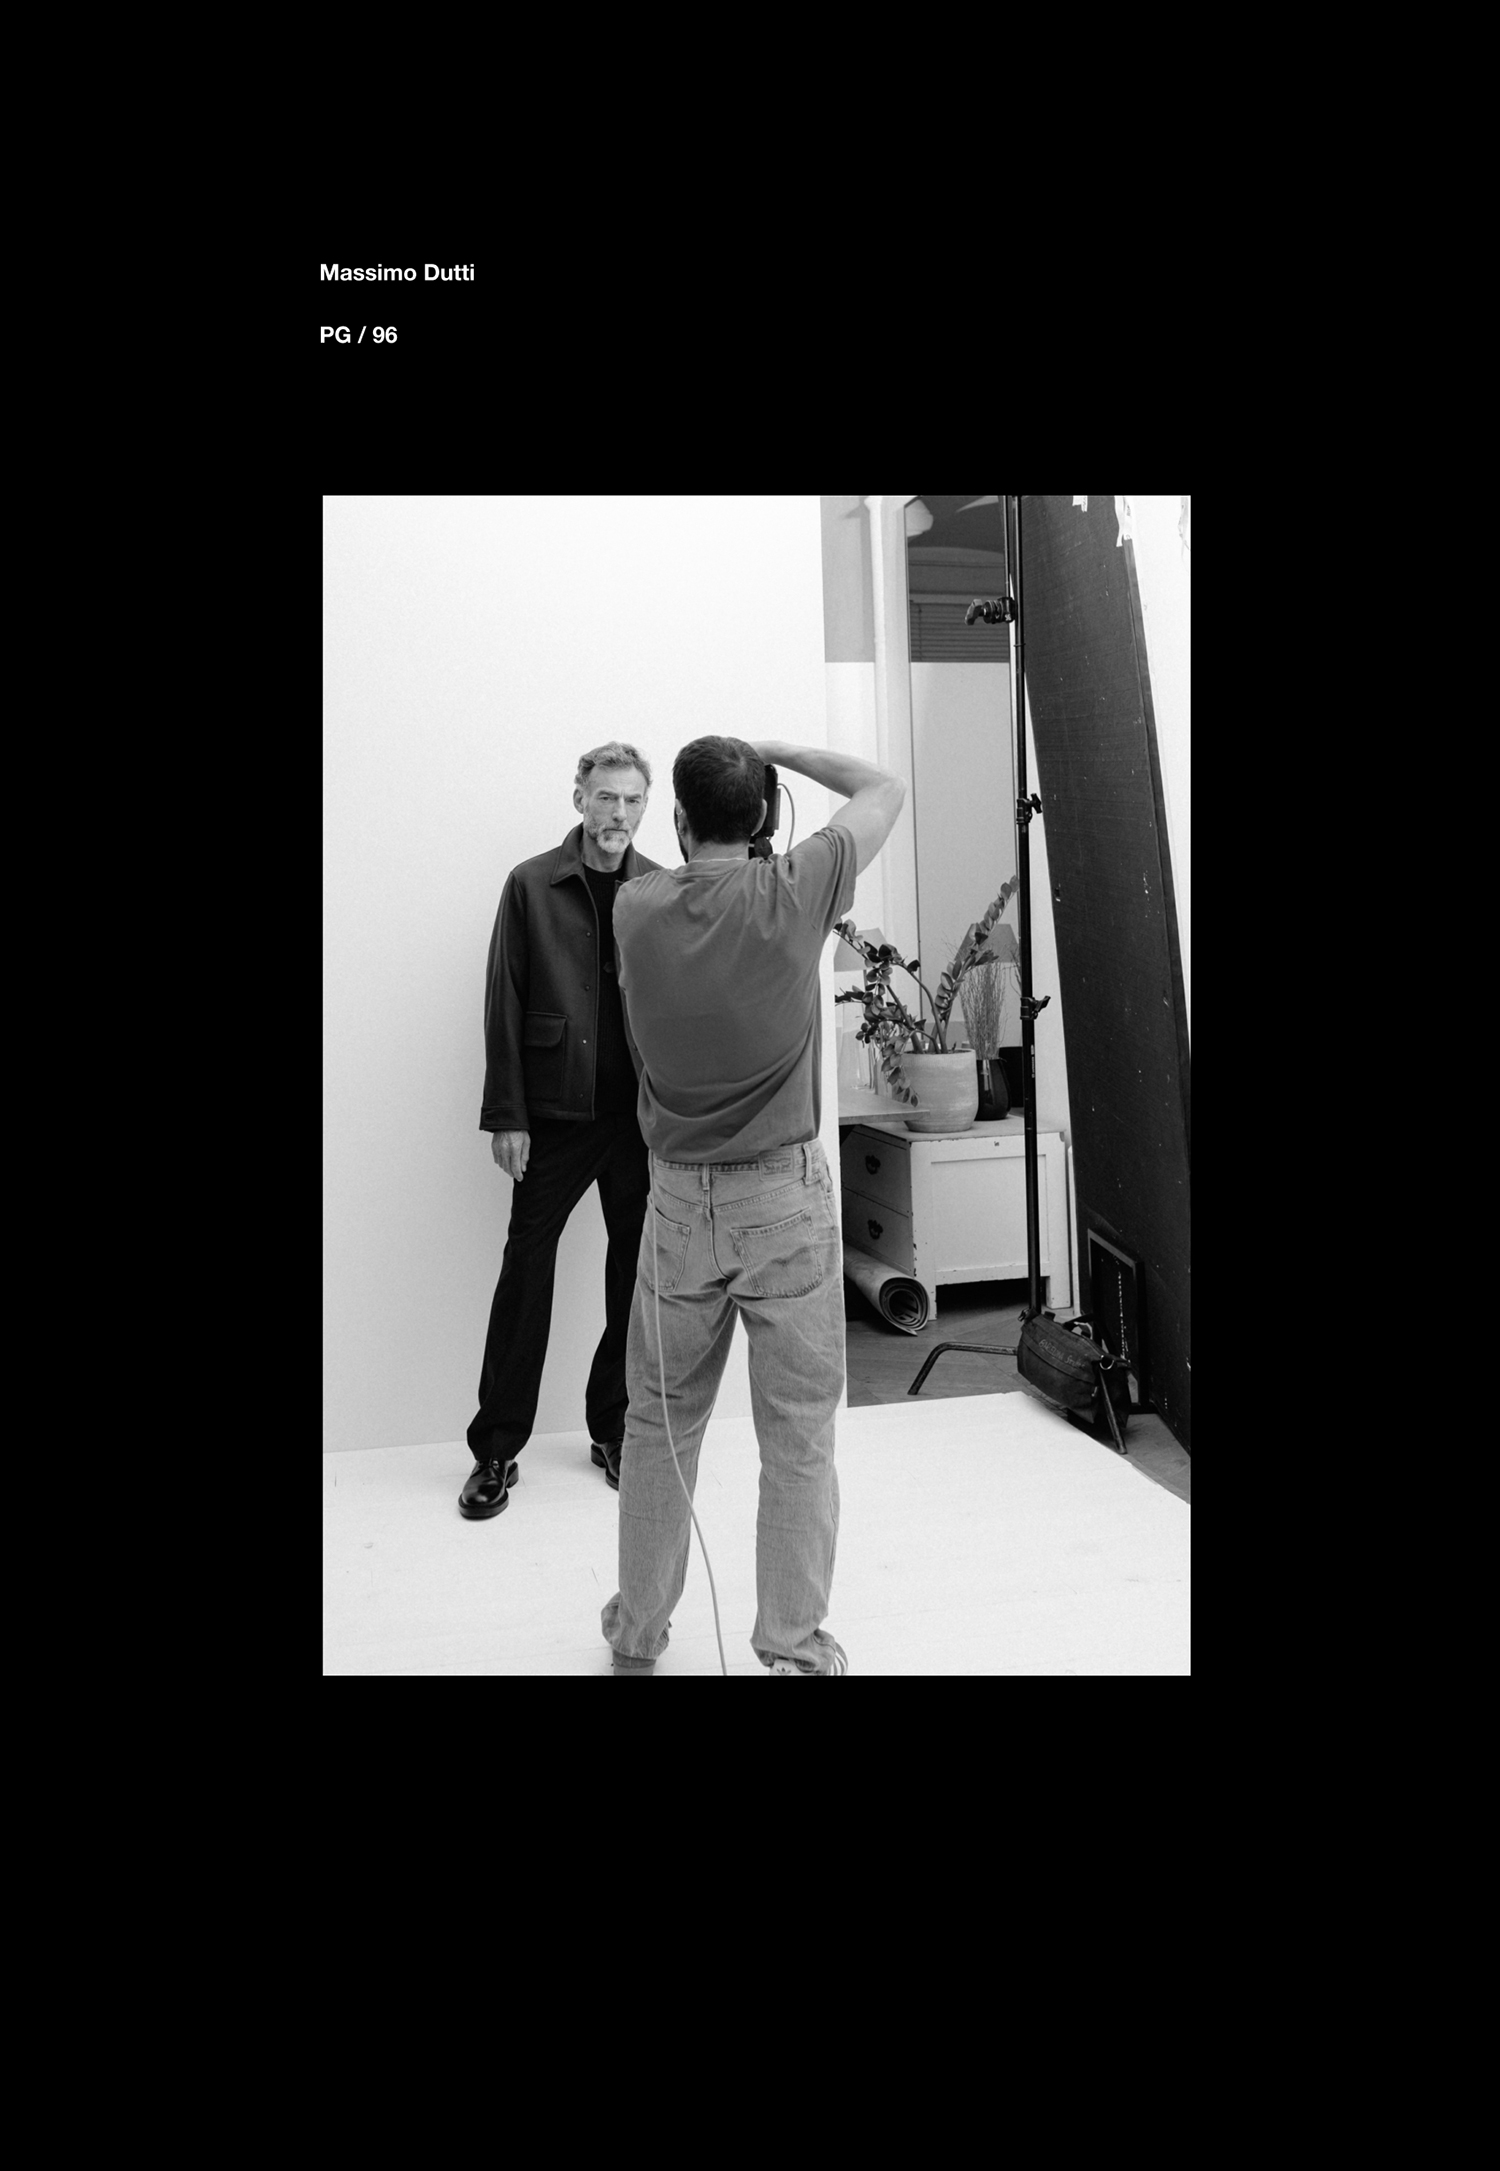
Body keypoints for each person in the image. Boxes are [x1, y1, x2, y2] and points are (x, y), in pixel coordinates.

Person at [601, 736, 905, 1673]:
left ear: (676, 819)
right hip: (781, 1196)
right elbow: (882, 786)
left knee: (658, 1426)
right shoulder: (798, 889)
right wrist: (777, 752)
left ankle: (638, 1633)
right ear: (766, 817)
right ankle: (792, 1644)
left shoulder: (634, 907)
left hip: (676, 1202)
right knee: (799, 1432)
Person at [461, 743, 665, 1519]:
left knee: (635, 1275)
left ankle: (613, 1426)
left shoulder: (658, 887)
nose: (619, 813)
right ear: (580, 798)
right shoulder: (531, 885)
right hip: (553, 1115)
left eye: (632, 799)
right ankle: (495, 1448)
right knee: (526, 1271)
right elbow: (504, 1000)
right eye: (606, 796)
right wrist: (507, 1114)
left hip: (639, 1118)